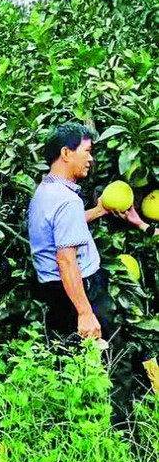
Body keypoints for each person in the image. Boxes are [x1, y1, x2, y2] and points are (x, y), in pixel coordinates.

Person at [28, 122, 151, 340]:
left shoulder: (45, 191)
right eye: (87, 151)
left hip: (55, 289)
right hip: (80, 289)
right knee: (113, 350)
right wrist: (85, 312)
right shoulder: (67, 201)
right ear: (66, 153)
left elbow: (62, 228)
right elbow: (66, 260)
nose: (91, 159)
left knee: (71, 352)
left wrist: (99, 210)